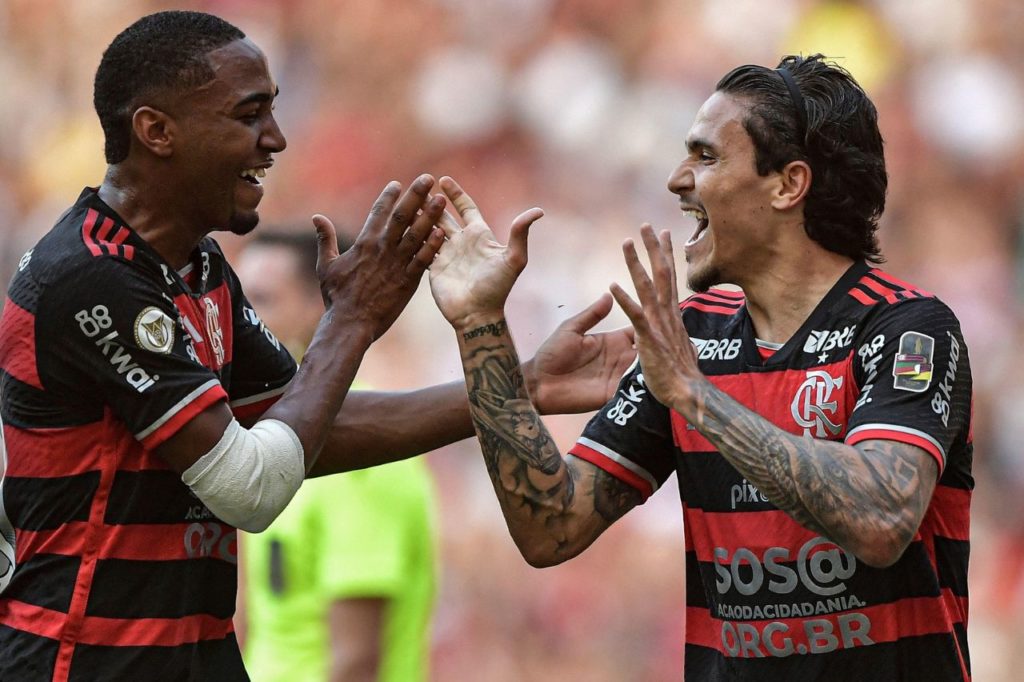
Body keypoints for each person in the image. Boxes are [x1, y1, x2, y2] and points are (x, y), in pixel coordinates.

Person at [0, 11, 635, 681]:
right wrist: (350, 322)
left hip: (193, 658)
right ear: (158, 131)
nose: (274, 139)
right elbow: (250, 487)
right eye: (248, 116)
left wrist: (517, 385)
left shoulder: (200, 267)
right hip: (82, 664)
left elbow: (302, 428)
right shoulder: (89, 277)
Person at [429, 54, 973, 681]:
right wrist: (480, 327)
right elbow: (550, 528)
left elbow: (881, 521)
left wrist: (694, 395)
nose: (676, 179)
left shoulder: (908, 329)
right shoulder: (693, 333)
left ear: (787, 184)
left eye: (706, 156)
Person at [234, 231, 437, 682]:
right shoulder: (269, 435)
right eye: (234, 302)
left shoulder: (364, 449)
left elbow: (357, 660)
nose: (237, 322)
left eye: (261, 301)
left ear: (323, 310)